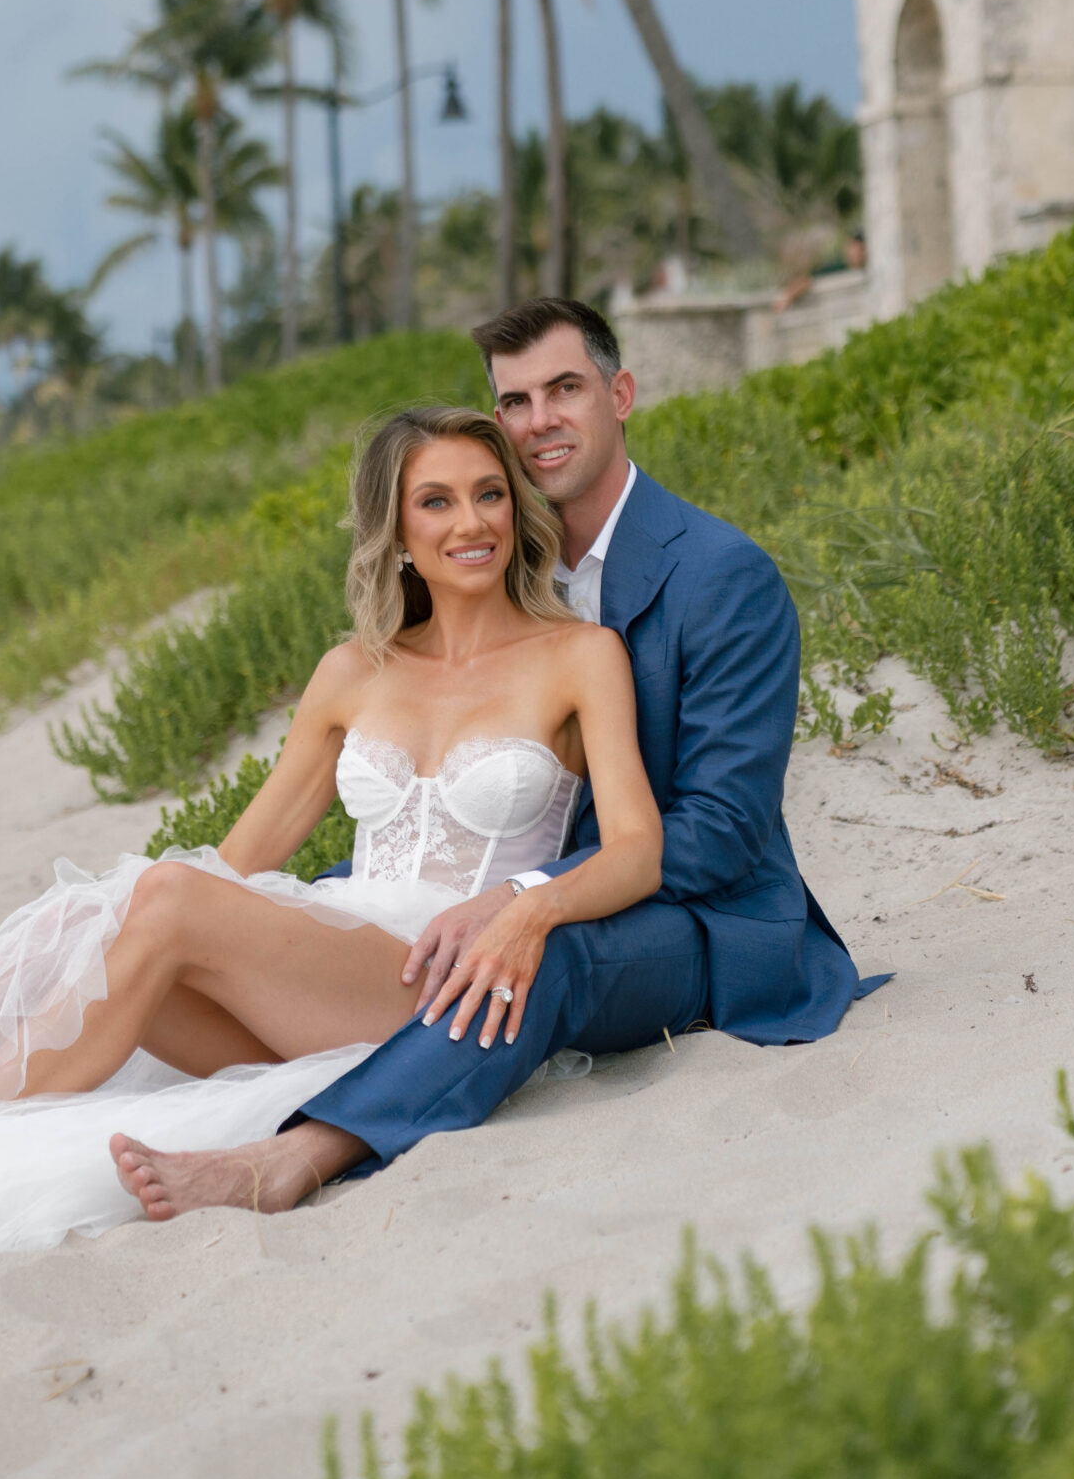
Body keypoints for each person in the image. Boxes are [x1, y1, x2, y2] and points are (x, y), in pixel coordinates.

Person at [0, 407, 661, 1282]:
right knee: (103, 940)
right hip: (327, 963)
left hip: (436, 984)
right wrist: (121, 923)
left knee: (156, 903)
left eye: (489, 494)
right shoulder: (353, 670)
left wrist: (527, 905)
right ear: (395, 529)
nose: (470, 521)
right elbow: (242, 860)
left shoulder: (577, 656)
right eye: (436, 501)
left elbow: (634, 853)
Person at [108, 298, 875, 1226]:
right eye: (515, 401)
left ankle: (305, 1151)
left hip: (696, 917)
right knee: (319, 915)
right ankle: (369, 1056)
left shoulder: (721, 575)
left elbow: (720, 833)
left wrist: (524, 897)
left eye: (565, 389)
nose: (540, 420)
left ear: (619, 394)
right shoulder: (498, 559)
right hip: (533, 890)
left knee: (535, 950)